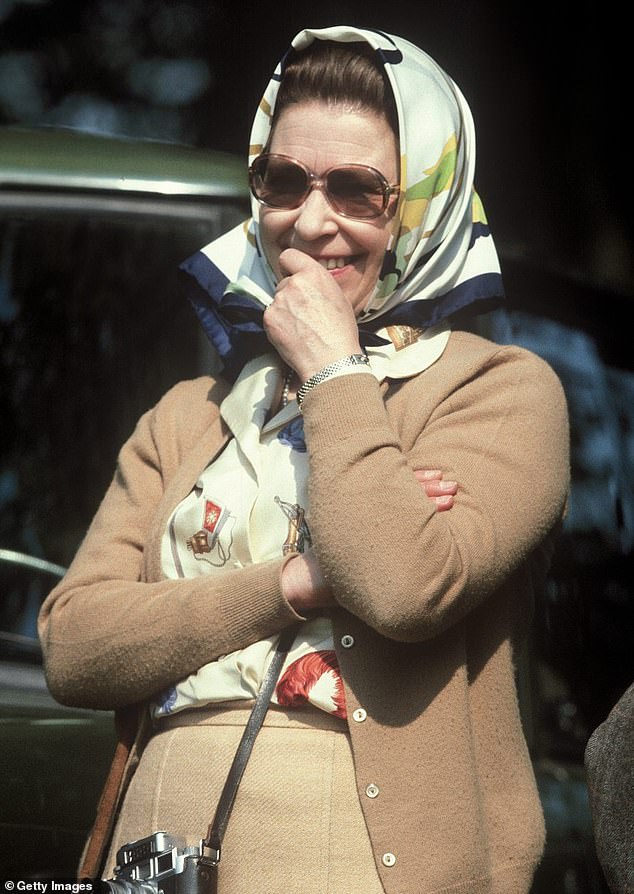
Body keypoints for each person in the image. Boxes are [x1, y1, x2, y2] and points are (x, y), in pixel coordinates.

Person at [38, 25, 570, 894]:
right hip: (154, 855)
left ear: (425, 205)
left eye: (358, 191)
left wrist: (332, 369)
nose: (309, 220)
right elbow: (74, 647)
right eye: (284, 182)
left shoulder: (500, 394)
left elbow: (401, 585)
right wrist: (294, 583)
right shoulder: (190, 413)